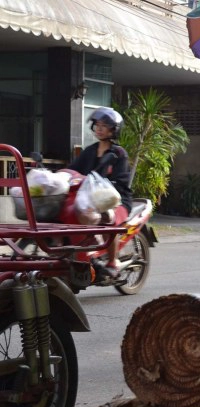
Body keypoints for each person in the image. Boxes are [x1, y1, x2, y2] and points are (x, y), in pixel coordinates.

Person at [66, 106, 133, 278]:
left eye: (104, 125)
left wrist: (103, 191)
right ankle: (86, 254)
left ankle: (113, 262)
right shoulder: (89, 151)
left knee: (107, 217)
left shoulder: (119, 154)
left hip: (116, 201)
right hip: (90, 200)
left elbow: (121, 182)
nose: (100, 128)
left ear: (114, 129)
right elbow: (73, 170)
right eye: (97, 125)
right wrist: (59, 176)